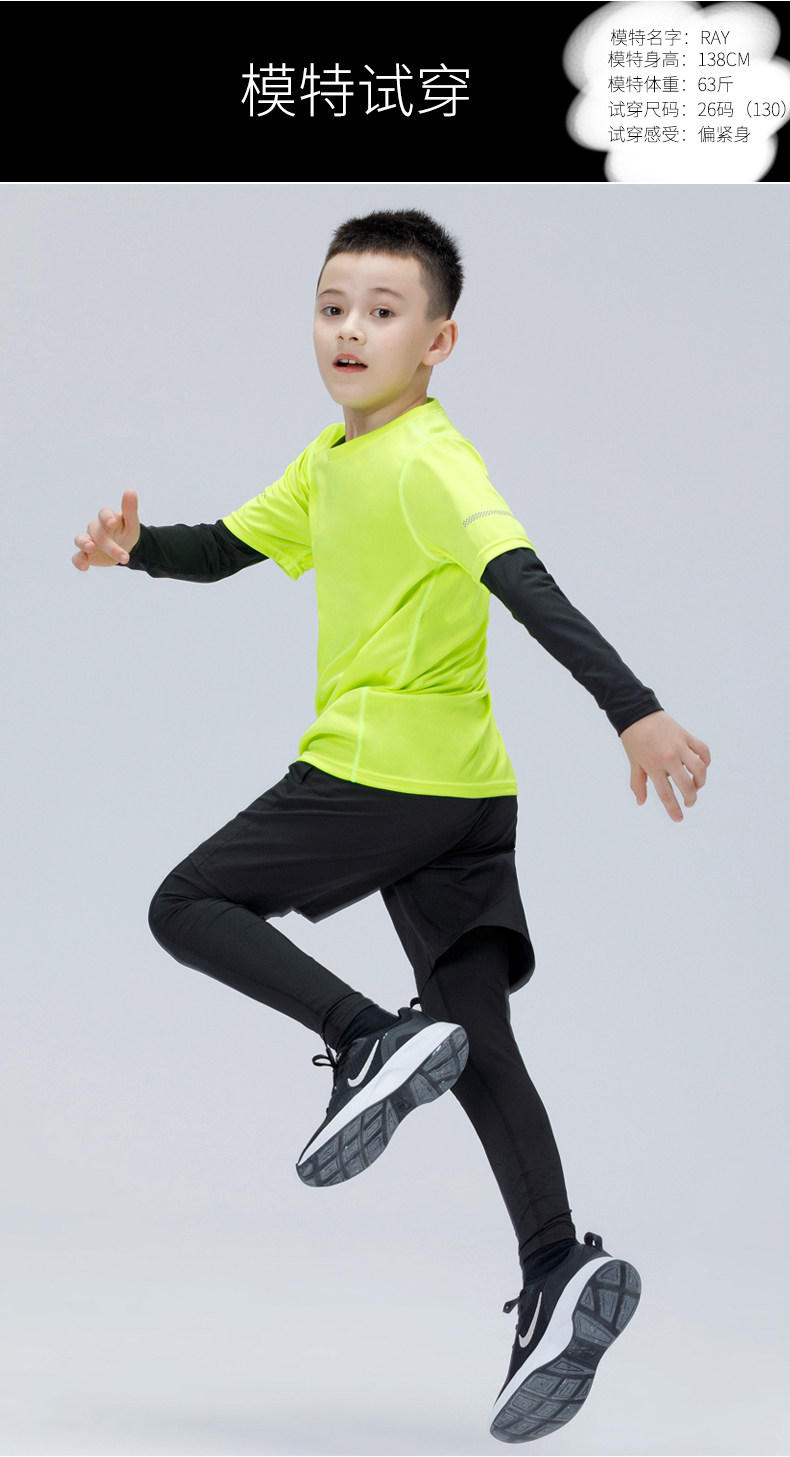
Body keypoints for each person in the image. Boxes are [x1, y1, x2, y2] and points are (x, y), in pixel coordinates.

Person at [72, 208, 710, 1444]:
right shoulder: (330, 462)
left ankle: (365, 1037)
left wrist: (632, 708)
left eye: (382, 309)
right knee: (477, 1038)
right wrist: (139, 548)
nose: (350, 329)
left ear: (439, 340)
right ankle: (556, 1264)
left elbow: (523, 580)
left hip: (383, 771)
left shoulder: (431, 461)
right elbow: (229, 546)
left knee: (185, 903)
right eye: (331, 307)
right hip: (468, 796)